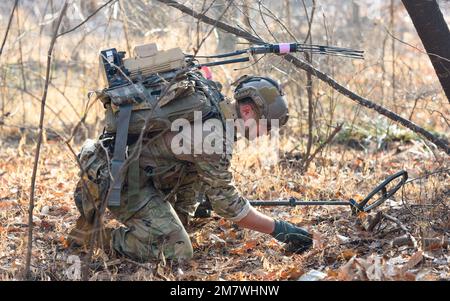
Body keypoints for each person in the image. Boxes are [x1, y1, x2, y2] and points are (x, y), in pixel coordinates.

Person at [68, 71, 313, 262]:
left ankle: (159, 222)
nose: (266, 134)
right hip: (115, 181)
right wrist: (278, 229)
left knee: (180, 227)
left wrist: (198, 202)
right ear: (248, 110)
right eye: (267, 126)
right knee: (177, 249)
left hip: (129, 171)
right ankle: (93, 237)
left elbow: (193, 168)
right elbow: (229, 205)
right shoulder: (214, 134)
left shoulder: (213, 109)